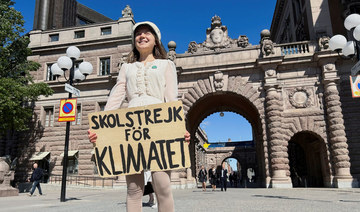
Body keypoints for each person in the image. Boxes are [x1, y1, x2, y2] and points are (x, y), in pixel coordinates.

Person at [88, 21, 191, 212]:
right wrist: (99, 126)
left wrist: (180, 128)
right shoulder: (127, 68)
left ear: (156, 40)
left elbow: (171, 99)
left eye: (147, 33)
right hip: (130, 129)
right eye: (138, 34)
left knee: (162, 186)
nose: (142, 36)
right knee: (134, 190)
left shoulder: (166, 65)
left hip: (160, 126)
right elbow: (116, 97)